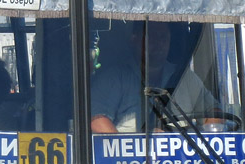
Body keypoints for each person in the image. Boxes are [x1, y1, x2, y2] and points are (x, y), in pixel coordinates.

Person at [91, 22, 220, 134]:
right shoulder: (114, 78)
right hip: (135, 160)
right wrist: (133, 149)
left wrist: (206, 138)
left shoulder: (184, 77)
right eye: (152, 37)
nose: (159, 43)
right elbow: (96, 120)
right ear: (134, 39)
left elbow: (215, 112)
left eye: (163, 37)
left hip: (183, 159)